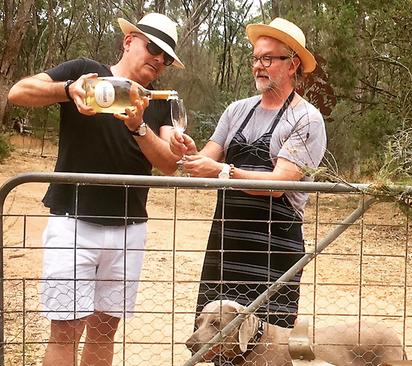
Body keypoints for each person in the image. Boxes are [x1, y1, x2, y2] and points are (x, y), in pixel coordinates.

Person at [8, 13, 184, 366]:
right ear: (129, 40)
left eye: (166, 57)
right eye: (153, 48)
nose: (158, 60)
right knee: (65, 332)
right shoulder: (86, 71)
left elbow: (168, 162)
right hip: (73, 221)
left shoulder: (159, 99)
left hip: (129, 227)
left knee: (104, 333)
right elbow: (18, 93)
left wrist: (139, 127)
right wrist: (68, 90)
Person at [171, 18, 326, 333]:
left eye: (268, 58)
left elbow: (277, 185)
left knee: (268, 343)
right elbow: (204, 160)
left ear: (292, 64)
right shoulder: (236, 111)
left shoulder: (307, 119)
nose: (259, 66)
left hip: (274, 251)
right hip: (226, 244)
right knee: (215, 337)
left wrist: (222, 170)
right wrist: (186, 150)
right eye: (255, 58)